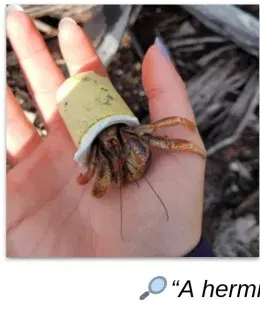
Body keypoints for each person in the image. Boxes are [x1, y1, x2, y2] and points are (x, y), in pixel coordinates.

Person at [5, 5, 214, 257]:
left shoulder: (128, 138)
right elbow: (90, 178)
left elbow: (154, 130)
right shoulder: (103, 157)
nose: (113, 150)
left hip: (119, 128)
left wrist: (185, 145)